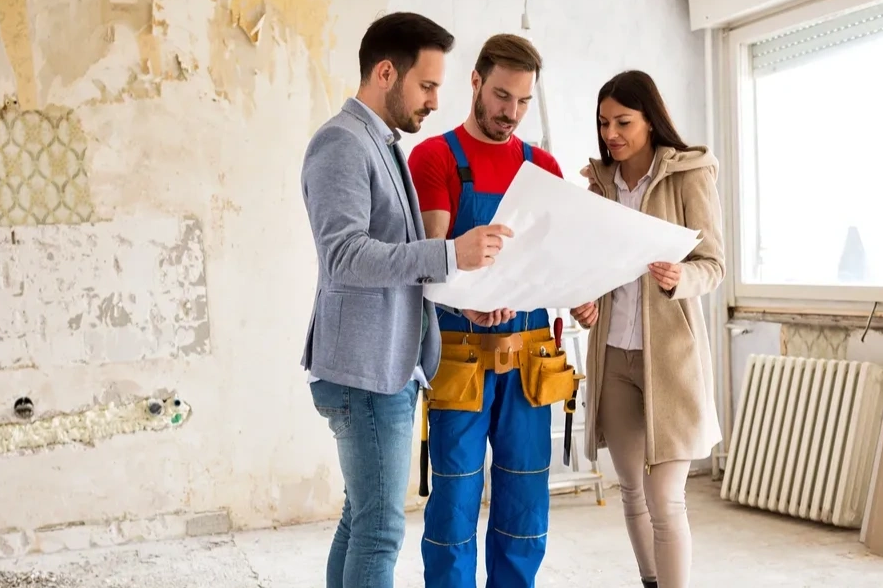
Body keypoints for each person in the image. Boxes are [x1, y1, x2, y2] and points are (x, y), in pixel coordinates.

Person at [300, 12, 516, 588]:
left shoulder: (380, 141)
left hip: (383, 367)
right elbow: (345, 257)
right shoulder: (341, 143)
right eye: (426, 86)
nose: (435, 101)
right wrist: (449, 254)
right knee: (380, 531)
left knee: (360, 519)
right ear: (386, 73)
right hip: (365, 374)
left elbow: (395, 259)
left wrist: (456, 298)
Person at [409, 34, 585, 588]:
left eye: (524, 102)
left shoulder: (543, 166)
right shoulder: (435, 157)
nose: (512, 113)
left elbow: (557, 258)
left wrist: (582, 291)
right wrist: (473, 299)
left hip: (531, 360)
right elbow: (433, 259)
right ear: (476, 82)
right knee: (455, 503)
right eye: (503, 96)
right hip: (459, 358)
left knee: (525, 504)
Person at [572, 70, 725, 588]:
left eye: (623, 122)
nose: (611, 133)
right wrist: (585, 303)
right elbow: (590, 271)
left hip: (672, 361)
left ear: (651, 121)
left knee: (667, 497)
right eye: (603, 123)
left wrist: (683, 277)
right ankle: (650, 582)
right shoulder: (597, 187)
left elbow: (714, 264)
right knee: (633, 490)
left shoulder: (689, 174)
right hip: (614, 359)